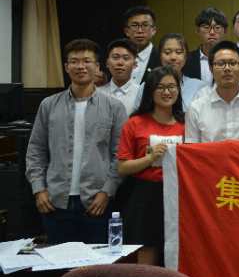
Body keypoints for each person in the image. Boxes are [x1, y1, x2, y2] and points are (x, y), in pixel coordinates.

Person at [25, 39, 128, 244]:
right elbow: (36, 150)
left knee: (96, 262)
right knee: (58, 261)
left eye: (87, 61)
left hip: (96, 201)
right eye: (74, 61)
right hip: (55, 200)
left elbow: (120, 155)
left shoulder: (114, 107)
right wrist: (39, 189)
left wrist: (107, 192)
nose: (81, 66)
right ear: (66, 67)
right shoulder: (48, 105)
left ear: (97, 67)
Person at [117, 66, 185, 265]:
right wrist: (149, 159)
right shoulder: (135, 123)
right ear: (150, 91)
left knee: (177, 249)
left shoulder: (187, 122)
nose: (167, 92)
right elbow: (122, 167)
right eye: (160, 87)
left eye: (171, 87)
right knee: (147, 251)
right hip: (145, 195)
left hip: (178, 194)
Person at [185, 41, 239, 143]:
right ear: (211, 68)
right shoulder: (196, 108)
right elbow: (191, 149)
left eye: (232, 63)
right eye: (220, 64)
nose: (227, 68)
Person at [158, 33, 208, 111]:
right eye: (167, 52)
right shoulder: (147, 85)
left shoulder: (199, 87)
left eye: (178, 52)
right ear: (160, 56)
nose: (173, 57)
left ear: (186, 56)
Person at [97, 38, 140, 116]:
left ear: (135, 64)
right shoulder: (97, 94)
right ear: (107, 63)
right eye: (115, 57)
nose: (120, 63)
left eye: (126, 58)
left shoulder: (141, 94)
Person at [185, 7, 228, 84]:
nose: (212, 32)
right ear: (197, 30)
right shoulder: (186, 60)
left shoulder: (233, 59)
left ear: (225, 31)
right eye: (206, 27)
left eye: (217, 28)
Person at [122, 6, 160, 84]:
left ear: (153, 30)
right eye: (135, 25)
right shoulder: (116, 57)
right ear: (126, 31)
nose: (140, 31)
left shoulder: (161, 58)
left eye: (145, 25)